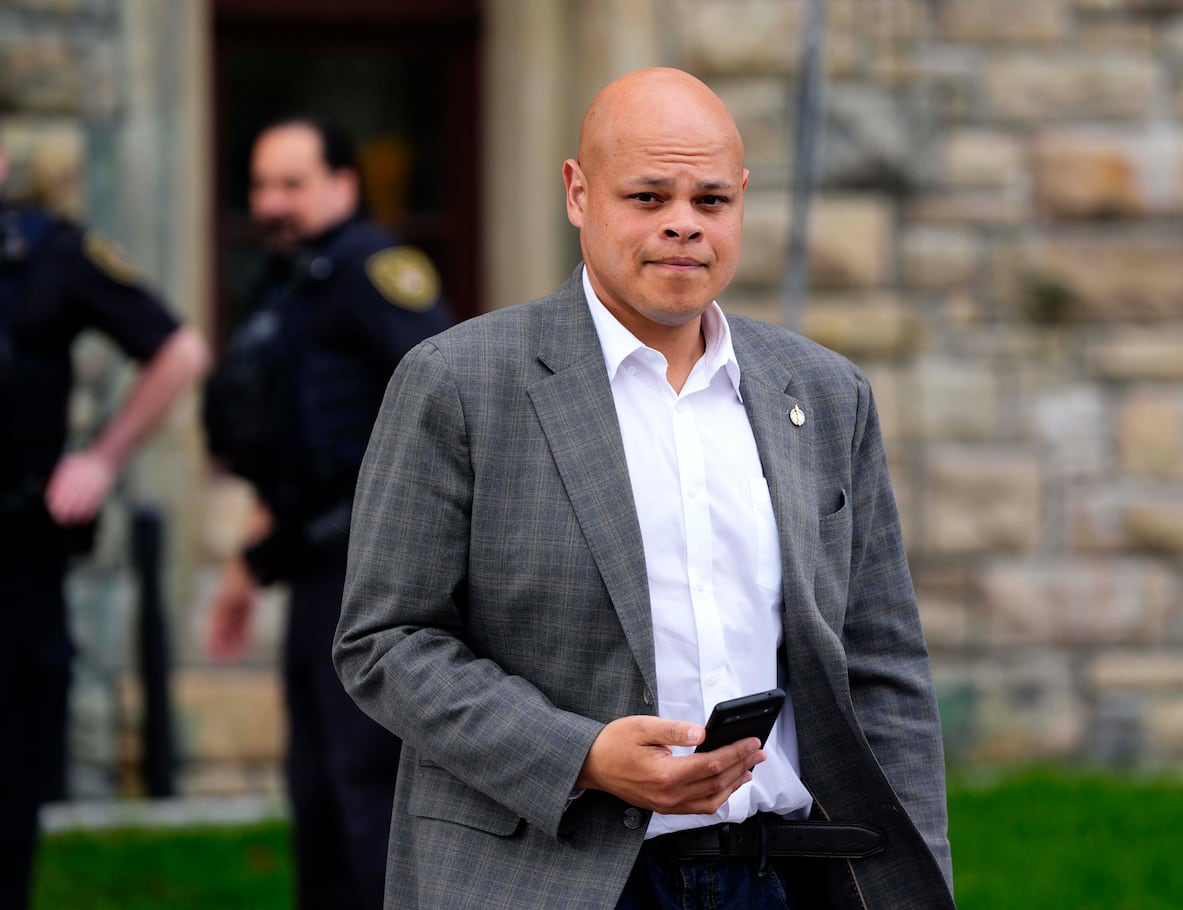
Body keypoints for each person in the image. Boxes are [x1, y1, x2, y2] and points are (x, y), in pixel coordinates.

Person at [333, 67, 955, 909]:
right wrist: (581, 757)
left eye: (710, 200)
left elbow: (884, 667)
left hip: (780, 876)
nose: (682, 224)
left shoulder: (824, 392)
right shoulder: (459, 384)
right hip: (543, 880)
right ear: (578, 193)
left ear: (742, 200)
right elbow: (386, 641)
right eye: (648, 196)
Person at [203, 114, 451, 910]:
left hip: (372, 574)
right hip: (312, 570)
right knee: (314, 792)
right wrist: (243, 571)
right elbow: (290, 457)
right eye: (260, 186)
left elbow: (448, 406)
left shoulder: (374, 271)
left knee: (364, 789)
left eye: (292, 184)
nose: (271, 203)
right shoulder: (288, 284)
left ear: (344, 184)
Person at [0, 130, 210, 910]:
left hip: (17, 571)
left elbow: (180, 352)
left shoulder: (49, 255)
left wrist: (101, 459)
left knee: (11, 787)